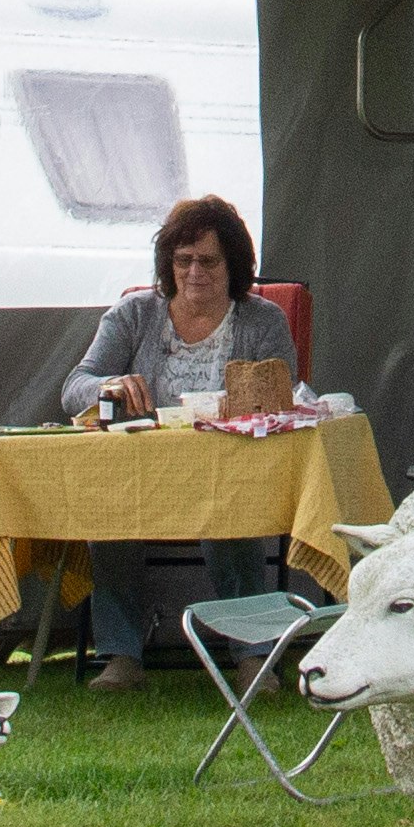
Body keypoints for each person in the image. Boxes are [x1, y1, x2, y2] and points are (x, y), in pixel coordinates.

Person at [56, 194, 298, 691]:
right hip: (145, 473)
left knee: (228, 505)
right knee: (110, 506)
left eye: (208, 261)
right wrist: (110, 387)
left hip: (229, 472)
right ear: (167, 265)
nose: (194, 273)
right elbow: (73, 388)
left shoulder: (264, 321)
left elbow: (281, 394)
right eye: (182, 261)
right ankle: (121, 656)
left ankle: (253, 655)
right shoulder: (133, 314)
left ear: (235, 265)